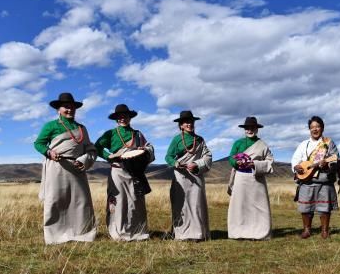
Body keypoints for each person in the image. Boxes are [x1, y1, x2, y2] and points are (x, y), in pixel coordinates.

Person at [33, 92, 97, 244]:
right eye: (65, 107)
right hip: (57, 167)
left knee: (81, 201)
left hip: (78, 167)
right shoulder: (51, 126)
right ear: (58, 109)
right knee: (56, 200)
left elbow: (90, 148)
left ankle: (82, 234)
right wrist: (49, 152)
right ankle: (55, 236)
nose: (69, 110)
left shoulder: (82, 128)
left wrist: (84, 159)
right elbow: (38, 144)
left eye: (72, 107)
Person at [94, 104, 155, 241]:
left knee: (136, 201)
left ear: (129, 117)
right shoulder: (111, 134)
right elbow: (97, 147)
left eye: (125, 116)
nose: (123, 118)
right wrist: (108, 156)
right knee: (119, 201)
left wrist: (144, 151)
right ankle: (118, 232)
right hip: (118, 171)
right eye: (120, 116)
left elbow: (149, 148)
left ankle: (138, 231)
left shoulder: (138, 134)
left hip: (135, 172)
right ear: (116, 119)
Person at [165, 111, 212, 241]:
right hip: (180, 176)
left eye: (191, 122)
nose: (189, 124)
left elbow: (207, 157)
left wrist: (197, 164)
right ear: (181, 125)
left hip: (196, 176)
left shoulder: (200, 140)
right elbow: (168, 156)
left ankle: (197, 233)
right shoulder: (176, 139)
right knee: (181, 204)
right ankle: (181, 234)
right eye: (186, 122)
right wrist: (175, 162)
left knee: (196, 204)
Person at [291, 116, 339, 239]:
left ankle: (324, 231)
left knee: (324, 207)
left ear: (322, 128)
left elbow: (335, 159)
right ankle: (307, 230)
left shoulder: (328, 143)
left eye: (317, 127)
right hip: (306, 181)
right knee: (306, 208)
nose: (315, 129)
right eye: (312, 127)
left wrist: (327, 164)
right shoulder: (303, 144)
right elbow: (295, 159)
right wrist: (296, 166)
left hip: (324, 180)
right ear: (309, 129)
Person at [227, 116, 274, 240]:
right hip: (241, 177)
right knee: (240, 206)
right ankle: (239, 232)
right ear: (244, 129)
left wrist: (255, 164)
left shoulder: (263, 145)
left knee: (258, 207)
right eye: (247, 128)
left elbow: (269, 162)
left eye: (252, 128)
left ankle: (259, 232)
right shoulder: (238, 143)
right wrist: (236, 163)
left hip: (256, 178)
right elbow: (231, 157)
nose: (250, 130)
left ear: (257, 129)